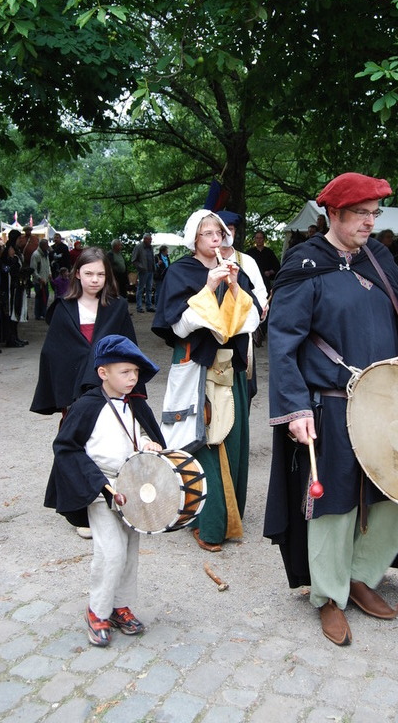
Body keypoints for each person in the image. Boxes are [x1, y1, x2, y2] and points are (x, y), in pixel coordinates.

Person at [264, 172, 398, 647]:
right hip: (330, 403)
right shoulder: (305, 265)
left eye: (374, 213)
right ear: (334, 214)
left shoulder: (378, 257)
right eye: (360, 214)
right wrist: (295, 409)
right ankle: (329, 595)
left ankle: (363, 575)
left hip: (387, 401)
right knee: (335, 502)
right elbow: (283, 344)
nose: (370, 222)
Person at [44, 334, 165, 646]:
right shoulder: (86, 406)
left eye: (135, 372)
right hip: (99, 487)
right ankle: (97, 611)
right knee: (111, 551)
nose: (133, 378)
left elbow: (145, 435)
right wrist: (99, 483)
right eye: (125, 372)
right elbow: (67, 448)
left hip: (132, 488)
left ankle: (119, 606)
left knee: (130, 549)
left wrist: (149, 444)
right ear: (103, 373)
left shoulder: (136, 405)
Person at [152, 210, 261, 552]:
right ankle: (206, 522)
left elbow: (253, 318)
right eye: (208, 233)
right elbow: (178, 326)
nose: (216, 238)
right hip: (197, 368)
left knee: (232, 438)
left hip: (231, 369)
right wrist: (209, 288)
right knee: (203, 438)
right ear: (194, 239)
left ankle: (229, 517)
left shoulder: (235, 270)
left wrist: (233, 286)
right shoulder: (181, 272)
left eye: (220, 232)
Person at [31, 246, 140, 417]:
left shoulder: (117, 307)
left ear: (107, 276)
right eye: (88, 274)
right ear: (77, 274)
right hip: (73, 382)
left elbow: (128, 348)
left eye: (100, 274)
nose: (94, 280)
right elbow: (52, 352)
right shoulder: (64, 308)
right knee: (77, 427)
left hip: (109, 383)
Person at [218, 210, 269, 400]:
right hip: (212, 336)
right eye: (221, 230)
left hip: (241, 336)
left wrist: (260, 309)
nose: (225, 234)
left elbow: (261, 294)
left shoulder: (247, 262)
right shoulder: (204, 261)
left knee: (244, 389)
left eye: (230, 229)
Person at [0, 229, 29, 347]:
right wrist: (11, 260)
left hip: (17, 287)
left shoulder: (16, 250)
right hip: (11, 288)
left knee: (16, 311)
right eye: (19, 238)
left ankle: (15, 337)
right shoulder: (8, 251)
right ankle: (10, 339)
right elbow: (5, 268)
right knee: (11, 312)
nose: (21, 240)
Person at [245, 230, 280, 294]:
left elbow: (277, 267)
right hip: (252, 281)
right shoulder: (249, 252)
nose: (259, 240)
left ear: (264, 239)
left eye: (261, 238)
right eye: (257, 238)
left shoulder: (269, 252)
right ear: (255, 239)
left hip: (266, 281)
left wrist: (269, 272)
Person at [131, 233, 156, 313]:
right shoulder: (138, 247)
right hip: (143, 271)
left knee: (149, 289)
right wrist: (141, 267)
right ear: (145, 239)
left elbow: (152, 258)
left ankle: (149, 306)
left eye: (151, 239)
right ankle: (139, 307)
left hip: (151, 271)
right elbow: (134, 260)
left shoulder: (150, 247)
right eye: (149, 239)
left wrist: (154, 267)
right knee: (140, 289)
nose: (151, 241)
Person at [30, 237, 52, 320]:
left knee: (45, 297)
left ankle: (43, 313)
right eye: (46, 245)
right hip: (38, 281)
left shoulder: (46, 254)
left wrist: (49, 273)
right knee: (39, 297)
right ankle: (38, 314)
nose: (47, 247)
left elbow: (48, 265)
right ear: (42, 246)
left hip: (45, 279)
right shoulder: (36, 255)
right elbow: (33, 269)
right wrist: (39, 278)